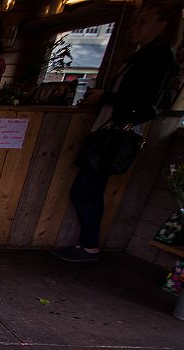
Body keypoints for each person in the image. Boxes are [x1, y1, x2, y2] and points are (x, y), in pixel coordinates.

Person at [56, 1, 182, 263]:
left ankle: (89, 246)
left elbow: (143, 102)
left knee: (84, 190)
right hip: (111, 130)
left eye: (143, 22)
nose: (136, 27)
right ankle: (87, 245)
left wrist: (105, 97)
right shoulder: (145, 54)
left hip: (117, 135)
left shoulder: (160, 56)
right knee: (89, 190)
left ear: (162, 26)